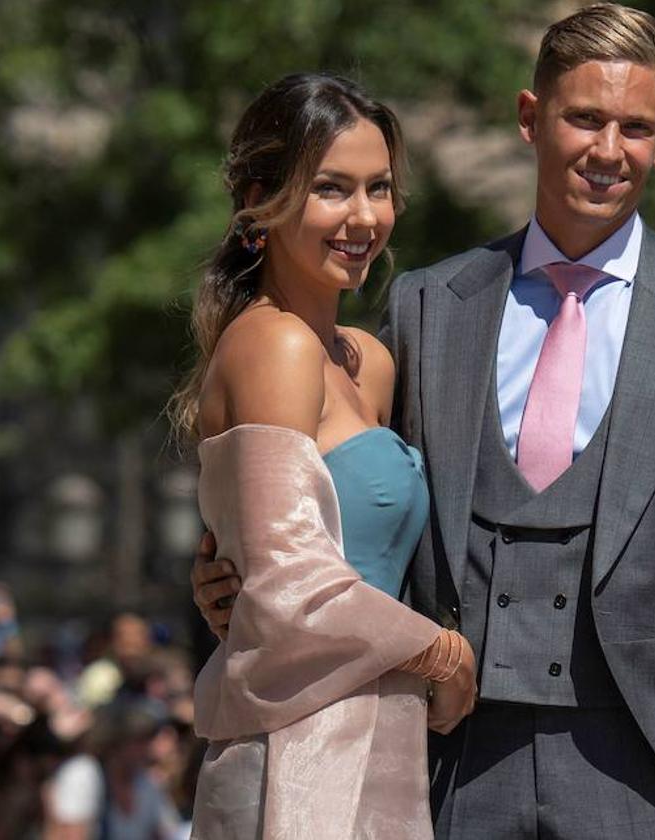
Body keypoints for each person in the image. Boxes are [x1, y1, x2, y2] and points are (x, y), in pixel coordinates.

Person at [193, 5, 655, 839]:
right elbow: (319, 493)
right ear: (532, 120)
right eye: (585, 119)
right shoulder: (424, 307)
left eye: (635, 128)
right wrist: (220, 571)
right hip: (445, 770)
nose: (609, 151)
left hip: (651, 776)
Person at [169, 74, 477, 839]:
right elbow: (290, 583)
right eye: (332, 189)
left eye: (380, 188)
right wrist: (440, 653)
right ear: (259, 200)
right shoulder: (271, 344)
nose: (365, 216)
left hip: (380, 741)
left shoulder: (367, 361)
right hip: (299, 756)